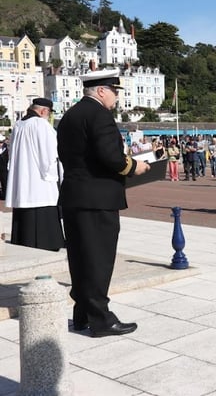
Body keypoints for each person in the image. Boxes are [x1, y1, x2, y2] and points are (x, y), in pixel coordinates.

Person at [57, 69, 150, 337]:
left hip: (74, 195)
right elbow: (111, 157)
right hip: (98, 198)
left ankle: (82, 314)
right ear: (101, 91)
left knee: (81, 258)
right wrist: (136, 166)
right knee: (98, 259)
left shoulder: (70, 116)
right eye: (115, 91)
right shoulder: (100, 116)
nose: (117, 97)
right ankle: (101, 319)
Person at [5, 97, 65, 251]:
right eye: (49, 113)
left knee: (25, 216)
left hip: (22, 180)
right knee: (42, 213)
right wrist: (54, 176)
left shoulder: (19, 125)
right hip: (40, 182)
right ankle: (48, 243)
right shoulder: (41, 125)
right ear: (44, 111)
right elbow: (50, 154)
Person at [0, 134, 8, 200]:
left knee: (4, 183)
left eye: (2, 142)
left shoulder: (6, 148)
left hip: (4, 169)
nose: (1, 144)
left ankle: (5, 196)